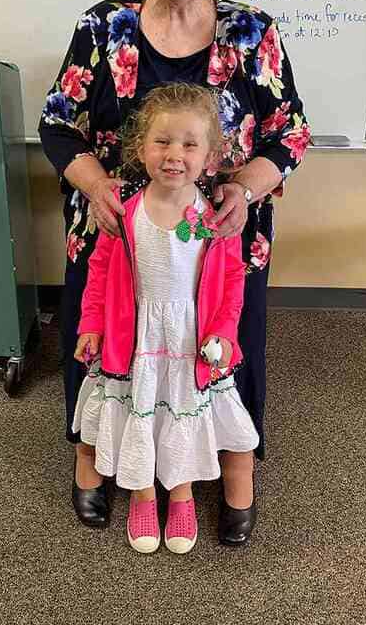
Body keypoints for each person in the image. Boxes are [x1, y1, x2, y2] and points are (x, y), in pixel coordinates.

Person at [39, 0, 310, 546]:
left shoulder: (253, 33)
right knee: (106, 346)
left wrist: (244, 189)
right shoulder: (105, 27)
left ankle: (228, 469)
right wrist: (96, 184)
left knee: (221, 351)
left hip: (219, 241)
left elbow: (290, 134)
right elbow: (56, 126)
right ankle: (99, 460)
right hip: (117, 237)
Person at [72, 83, 259, 553]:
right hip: (133, 340)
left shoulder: (214, 218)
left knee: (182, 417)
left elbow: (233, 282)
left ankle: (180, 494)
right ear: (140, 147)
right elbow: (98, 273)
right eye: (162, 141)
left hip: (190, 342)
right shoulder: (124, 213)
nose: (174, 154)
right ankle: (140, 492)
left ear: (211, 154)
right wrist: (91, 324)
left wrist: (222, 333)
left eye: (190, 144)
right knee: (139, 411)